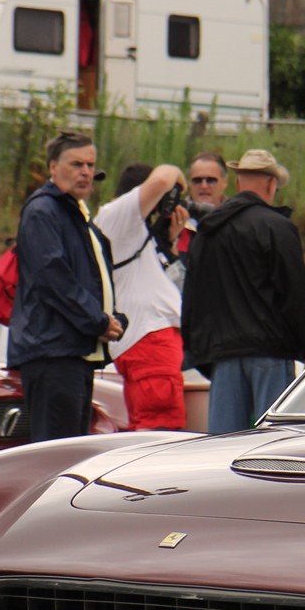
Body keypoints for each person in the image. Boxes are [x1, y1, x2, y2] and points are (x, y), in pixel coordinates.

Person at [181, 148, 305, 434]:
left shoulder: (208, 231)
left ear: (236, 184)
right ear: (271, 184)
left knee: (223, 447)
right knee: (269, 446)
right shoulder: (277, 227)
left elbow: (193, 298)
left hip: (224, 357)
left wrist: (200, 353)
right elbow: (297, 296)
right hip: (270, 353)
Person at [8, 131, 125, 442]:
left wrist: (113, 318)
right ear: (53, 167)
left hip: (75, 349)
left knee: (73, 451)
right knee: (56, 454)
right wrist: (97, 321)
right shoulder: (43, 211)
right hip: (53, 352)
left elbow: (91, 277)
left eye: (90, 165)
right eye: (76, 164)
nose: (86, 172)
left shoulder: (75, 214)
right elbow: (53, 279)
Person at [97, 163, 189, 431]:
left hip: (149, 342)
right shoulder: (117, 214)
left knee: (153, 430)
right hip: (149, 343)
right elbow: (162, 178)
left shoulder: (131, 229)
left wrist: (169, 240)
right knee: (160, 435)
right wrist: (177, 178)